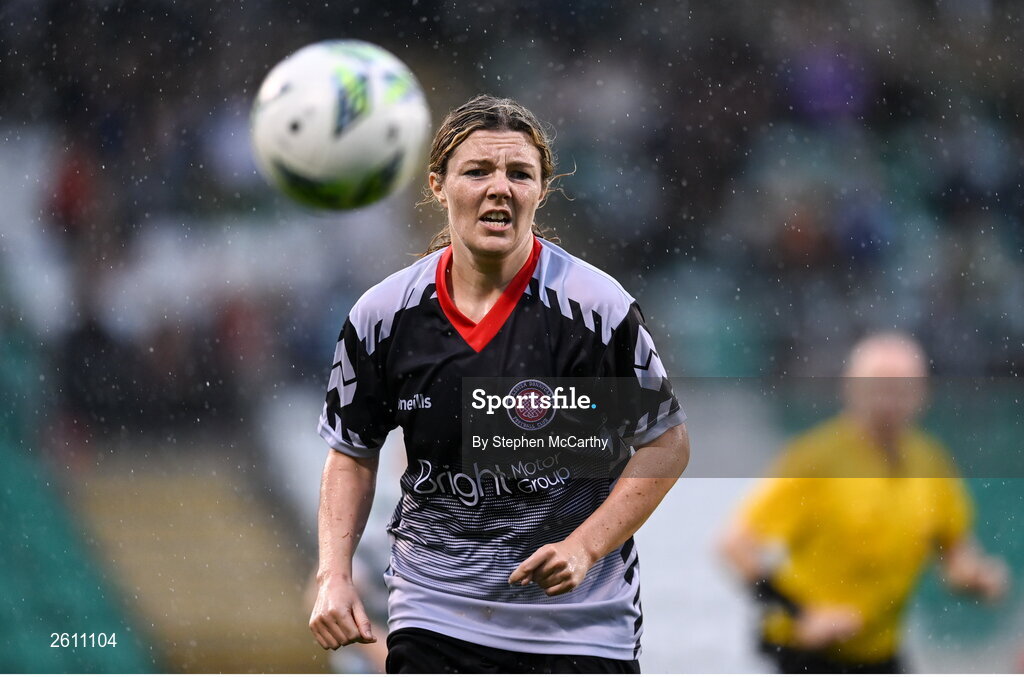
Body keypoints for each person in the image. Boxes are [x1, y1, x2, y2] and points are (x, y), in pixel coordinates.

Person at [308, 95, 690, 673]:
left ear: (542, 189)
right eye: (478, 171)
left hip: (579, 626)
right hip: (435, 613)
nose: (500, 188)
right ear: (438, 184)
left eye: (520, 173)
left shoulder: (597, 309)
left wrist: (583, 547)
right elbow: (352, 454)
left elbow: (666, 444)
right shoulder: (382, 316)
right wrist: (333, 576)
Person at [719, 332, 1008, 673]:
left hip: (877, 650)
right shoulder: (817, 459)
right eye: (878, 387)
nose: (889, 401)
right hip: (807, 653)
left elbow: (952, 549)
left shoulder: (931, 462)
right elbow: (734, 546)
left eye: (901, 389)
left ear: (922, 393)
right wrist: (804, 614)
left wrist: (975, 576)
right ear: (851, 389)